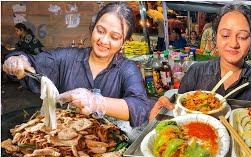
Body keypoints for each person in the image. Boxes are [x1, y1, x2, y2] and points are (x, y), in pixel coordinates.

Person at [3, 2, 151, 128]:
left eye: (115, 37)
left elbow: (141, 108)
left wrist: (97, 102)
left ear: (123, 42)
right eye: (100, 31)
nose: (104, 41)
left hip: (109, 143)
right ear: (93, 28)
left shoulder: (127, 69)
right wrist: (18, 60)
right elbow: (31, 62)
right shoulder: (67, 58)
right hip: (64, 141)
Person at [151, 4, 251, 119]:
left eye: (242, 37)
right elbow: (180, 113)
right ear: (215, 38)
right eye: (225, 35)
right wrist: (161, 114)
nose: (233, 43)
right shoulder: (196, 72)